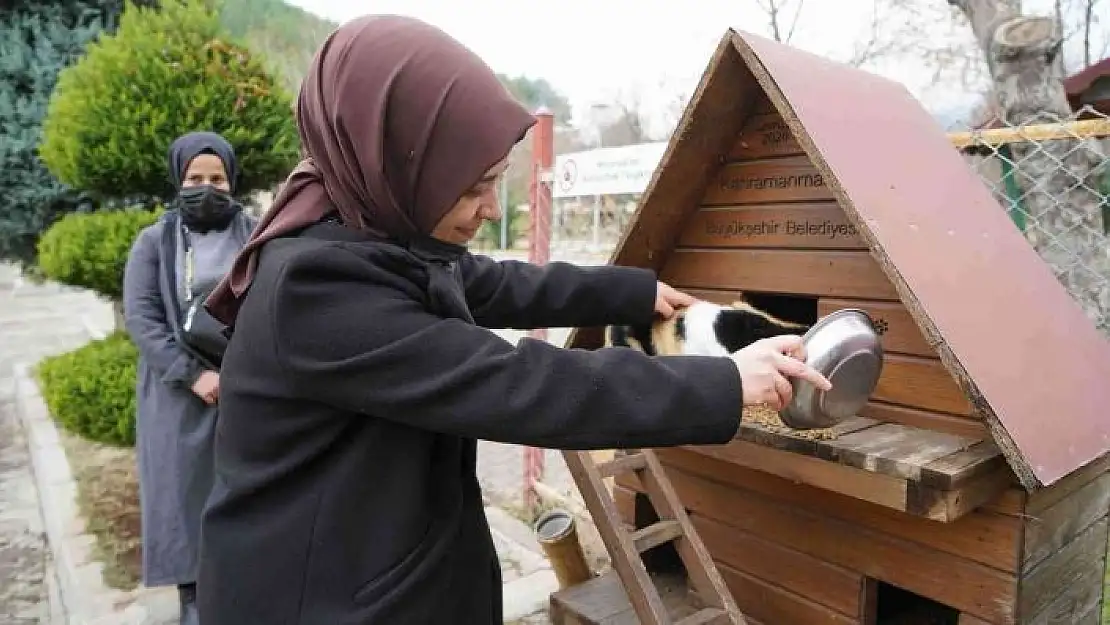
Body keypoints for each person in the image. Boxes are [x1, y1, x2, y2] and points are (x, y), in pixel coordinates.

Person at [197, 15, 830, 625]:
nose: (487, 209)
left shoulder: (372, 223)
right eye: (473, 188)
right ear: (398, 158)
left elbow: (491, 282)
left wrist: (633, 293)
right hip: (323, 596)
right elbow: (515, 383)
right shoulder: (315, 287)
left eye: (495, 182)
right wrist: (721, 382)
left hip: (373, 562)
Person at [121, 131, 257, 625]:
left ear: (231, 180)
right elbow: (142, 317)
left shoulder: (256, 233)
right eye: (195, 178)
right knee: (186, 505)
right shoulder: (155, 241)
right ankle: (195, 607)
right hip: (180, 399)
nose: (206, 187)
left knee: (247, 502)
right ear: (179, 179)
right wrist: (193, 374)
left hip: (245, 395)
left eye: (217, 178)